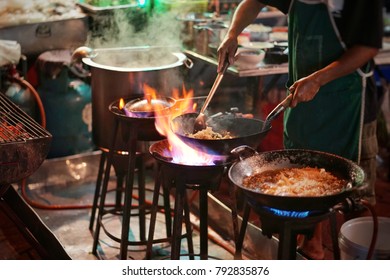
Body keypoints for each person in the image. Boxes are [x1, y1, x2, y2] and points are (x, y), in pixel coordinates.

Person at [217, 0, 383, 259]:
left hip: (348, 104)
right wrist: (231, 34)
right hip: (302, 102)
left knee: (356, 193)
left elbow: (367, 47)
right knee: (304, 178)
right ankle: (312, 244)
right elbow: (253, 2)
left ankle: (361, 259)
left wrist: (318, 79)